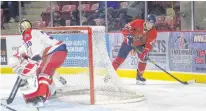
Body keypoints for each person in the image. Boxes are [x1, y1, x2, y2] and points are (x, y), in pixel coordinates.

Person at [16, 19, 68, 106]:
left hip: (54, 51)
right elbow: (34, 52)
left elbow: (35, 53)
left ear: (23, 28)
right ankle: (52, 91)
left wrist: (28, 65)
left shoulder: (28, 33)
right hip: (58, 52)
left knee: (42, 74)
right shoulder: (34, 33)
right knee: (42, 71)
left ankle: (41, 96)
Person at [112, 14, 157, 85]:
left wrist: (146, 51)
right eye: (149, 23)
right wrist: (127, 35)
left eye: (152, 24)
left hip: (139, 44)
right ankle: (109, 75)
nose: (150, 26)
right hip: (128, 43)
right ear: (146, 21)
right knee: (119, 59)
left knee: (143, 58)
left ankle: (139, 77)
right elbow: (125, 28)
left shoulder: (153, 32)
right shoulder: (137, 22)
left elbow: (149, 44)